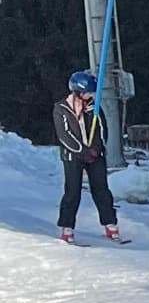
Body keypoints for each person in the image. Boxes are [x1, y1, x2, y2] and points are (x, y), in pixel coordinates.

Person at [54, 70, 121, 243]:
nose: (91, 95)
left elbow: (102, 129)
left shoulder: (94, 107)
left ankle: (110, 223)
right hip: (73, 156)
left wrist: (96, 149)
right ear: (78, 91)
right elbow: (64, 135)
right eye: (88, 92)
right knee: (72, 192)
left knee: (101, 189)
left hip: (95, 155)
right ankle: (67, 226)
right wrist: (82, 151)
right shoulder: (61, 108)